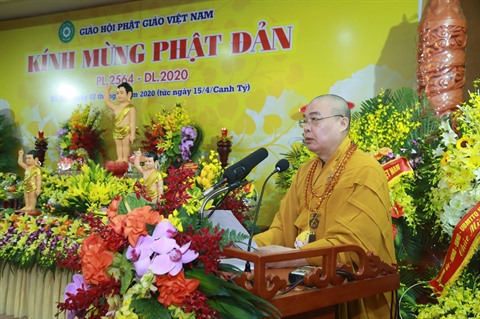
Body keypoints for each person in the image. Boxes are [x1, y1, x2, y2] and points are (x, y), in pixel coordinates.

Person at [253, 94, 396, 319]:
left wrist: (293, 256)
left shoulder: (365, 170)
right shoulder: (305, 171)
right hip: (302, 286)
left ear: (343, 123)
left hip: (347, 289)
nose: (306, 128)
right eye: (304, 121)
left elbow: (353, 245)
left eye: (315, 120)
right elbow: (281, 230)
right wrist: (248, 245)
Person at [105, 82, 136, 163]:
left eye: (121, 93)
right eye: (117, 93)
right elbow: (107, 102)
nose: (119, 95)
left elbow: (132, 122)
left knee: (125, 146)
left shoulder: (131, 108)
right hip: (116, 130)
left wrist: (132, 134)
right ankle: (119, 158)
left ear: (128, 94)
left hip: (126, 130)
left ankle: (125, 159)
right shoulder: (116, 107)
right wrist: (107, 90)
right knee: (118, 146)